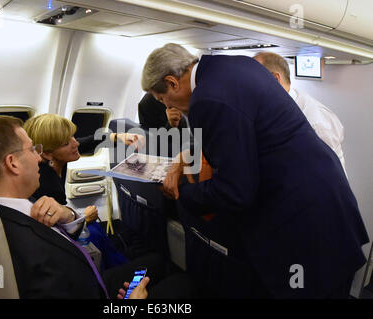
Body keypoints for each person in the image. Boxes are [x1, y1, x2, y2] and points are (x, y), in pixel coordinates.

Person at [141, 43, 369, 298]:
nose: (166, 107)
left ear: (172, 82)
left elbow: (236, 191)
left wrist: (184, 194)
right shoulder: (235, 65)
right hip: (327, 208)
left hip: (304, 227)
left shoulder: (208, 99)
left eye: (162, 99)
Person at [0, 115, 193, 299]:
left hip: (92, 282)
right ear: (12, 163)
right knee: (183, 286)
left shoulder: (17, 211)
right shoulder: (22, 237)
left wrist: (69, 214)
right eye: (32, 150)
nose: (38, 157)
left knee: (158, 264)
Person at [22, 113, 127, 269]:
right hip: (55, 238)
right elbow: (55, 227)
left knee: (97, 231)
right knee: (95, 233)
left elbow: (86, 142)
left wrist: (117, 137)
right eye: (67, 142)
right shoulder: (43, 183)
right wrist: (84, 218)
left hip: (63, 224)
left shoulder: (56, 160)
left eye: (73, 136)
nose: (75, 143)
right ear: (48, 153)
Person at [253, 52, 346, 173]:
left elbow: (324, 172)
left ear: (275, 79)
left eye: (254, 79)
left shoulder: (316, 119)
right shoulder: (273, 108)